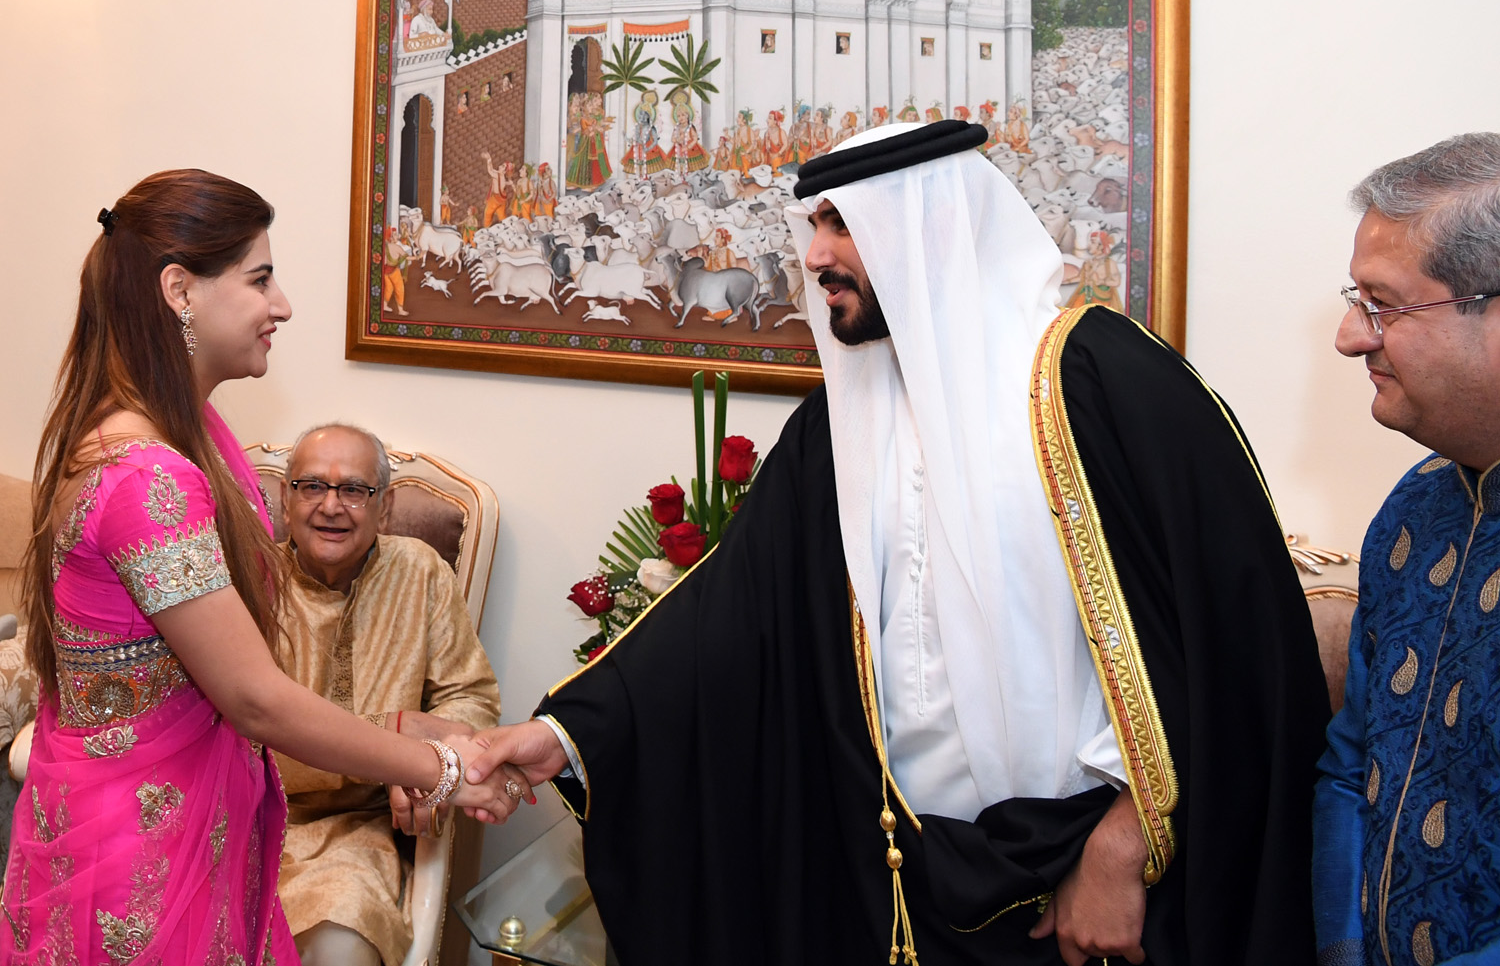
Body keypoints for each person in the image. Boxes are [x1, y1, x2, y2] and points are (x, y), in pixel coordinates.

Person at [466, 122, 1330, 965]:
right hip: (889, 870)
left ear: (931, 225)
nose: (814, 255)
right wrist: (565, 735)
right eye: (814, 224)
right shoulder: (842, 422)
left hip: (1082, 888)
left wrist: (1124, 842)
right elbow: (731, 614)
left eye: (843, 224)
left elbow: (1240, 644)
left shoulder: (1099, 380)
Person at [0, 171, 526, 965]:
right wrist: (443, 766)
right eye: (260, 278)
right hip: (142, 855)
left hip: (175, 823)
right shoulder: (148, 474)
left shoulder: (171, 441)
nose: (281, 305)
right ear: (180, 289)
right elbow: (255, 698)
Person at [1315, 132, 1500, 966]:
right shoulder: (1415, 507)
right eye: (1355, 299)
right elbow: (1350, 767)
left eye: (1382, 304)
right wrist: (1342, 948)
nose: (1350, 336)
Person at [274, 424, 502, 966]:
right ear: (286, 499)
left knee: (339, 936)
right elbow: (240, 734)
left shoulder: (420, 572)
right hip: (257, 817)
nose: (332, 506)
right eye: (312, 486)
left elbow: (471, 697)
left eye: (355, 490)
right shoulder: (249, 580)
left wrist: (427, 757)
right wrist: (394, 734)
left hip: (368, 829)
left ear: (386, 507)